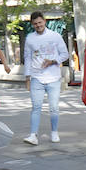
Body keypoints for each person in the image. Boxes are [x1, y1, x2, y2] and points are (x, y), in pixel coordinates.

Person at [22, 11, 69, 145]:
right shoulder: (30, 38)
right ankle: (33, 135)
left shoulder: (55, 36)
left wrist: (53, 61)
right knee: (36, 107)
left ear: (45, 21)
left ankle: (54, 132)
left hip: (53, 77)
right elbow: (27, 58)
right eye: (35, 24)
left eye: (40, 22)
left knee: (54, 107)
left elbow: (64, 54)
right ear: (32, 24)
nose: (38, 25)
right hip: (36, 77)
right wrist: (27, 78)